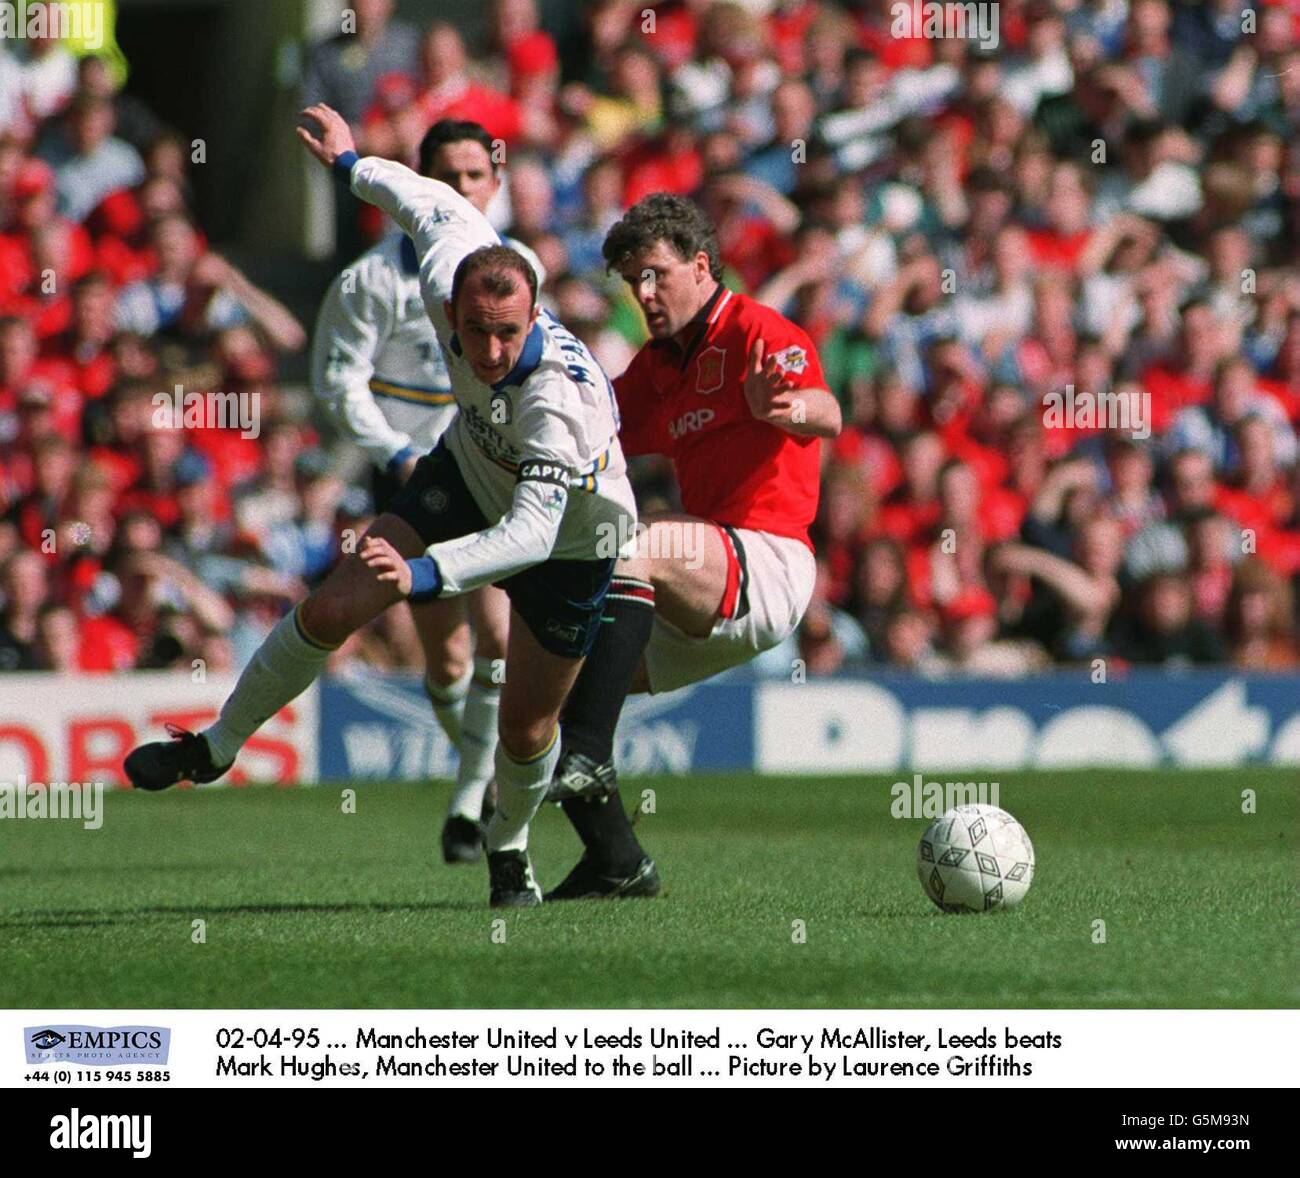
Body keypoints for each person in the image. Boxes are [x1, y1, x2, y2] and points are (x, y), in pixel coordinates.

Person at [125, 105, 637, 910]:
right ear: (449, 306)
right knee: (334, 602)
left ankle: (507, 850)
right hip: (467, 467)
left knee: (529, 728)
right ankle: (216, 747)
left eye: (507, 334)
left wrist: (424, 572)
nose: (490, 351)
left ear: (535, 316)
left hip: (575, 536)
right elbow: (417, 197)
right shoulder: (447, 266)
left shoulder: (558, 405)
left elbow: (530, 534)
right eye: (474, 332)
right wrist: (349, 160)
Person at [544, 193, 841, 900]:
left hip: (768, 564)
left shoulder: (757, 330)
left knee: (633, 542)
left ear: (701, 265)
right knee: (549, 682)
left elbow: (828, 411)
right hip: (698, 583)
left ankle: (588, 756)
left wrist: (786, 408)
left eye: (655, 275)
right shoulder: (657, 368)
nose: (643, 294)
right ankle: (616, 860)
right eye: (632, 281)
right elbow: (594, 433)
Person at [310, 118, 544, 866]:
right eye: (447, 177)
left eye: (476, 177)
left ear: (496, 183)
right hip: (418, 472)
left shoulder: (515, 271)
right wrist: (396, 450)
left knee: (502, 640)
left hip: (494, 468)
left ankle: (473, 803)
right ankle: (475, 778)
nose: (462, 192)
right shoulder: (372, 280)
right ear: (420, 184)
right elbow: (336, 384)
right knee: (445, 663)